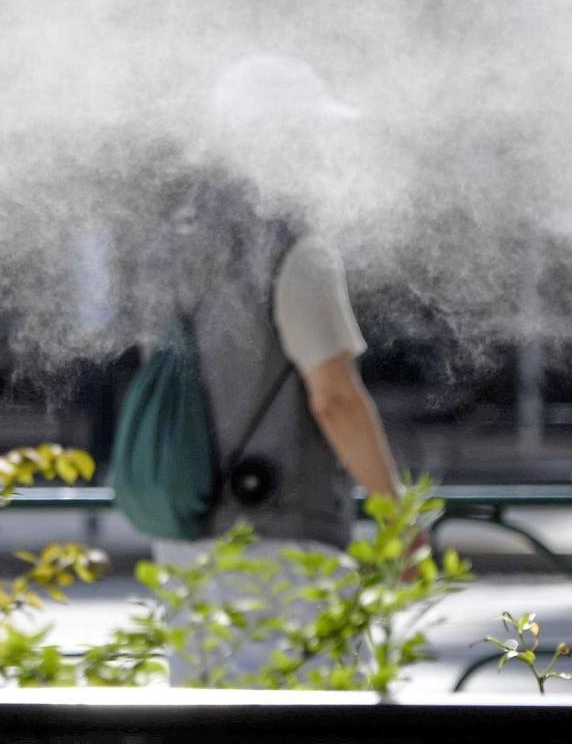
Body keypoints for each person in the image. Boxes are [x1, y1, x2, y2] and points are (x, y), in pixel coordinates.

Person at [142, 54, 416, 686]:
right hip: (282, 537)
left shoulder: (170, 246)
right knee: (307, 714)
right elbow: (335, 401)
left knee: (205, 711)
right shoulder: (296, 251)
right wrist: (399, 521)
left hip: (185, 534)